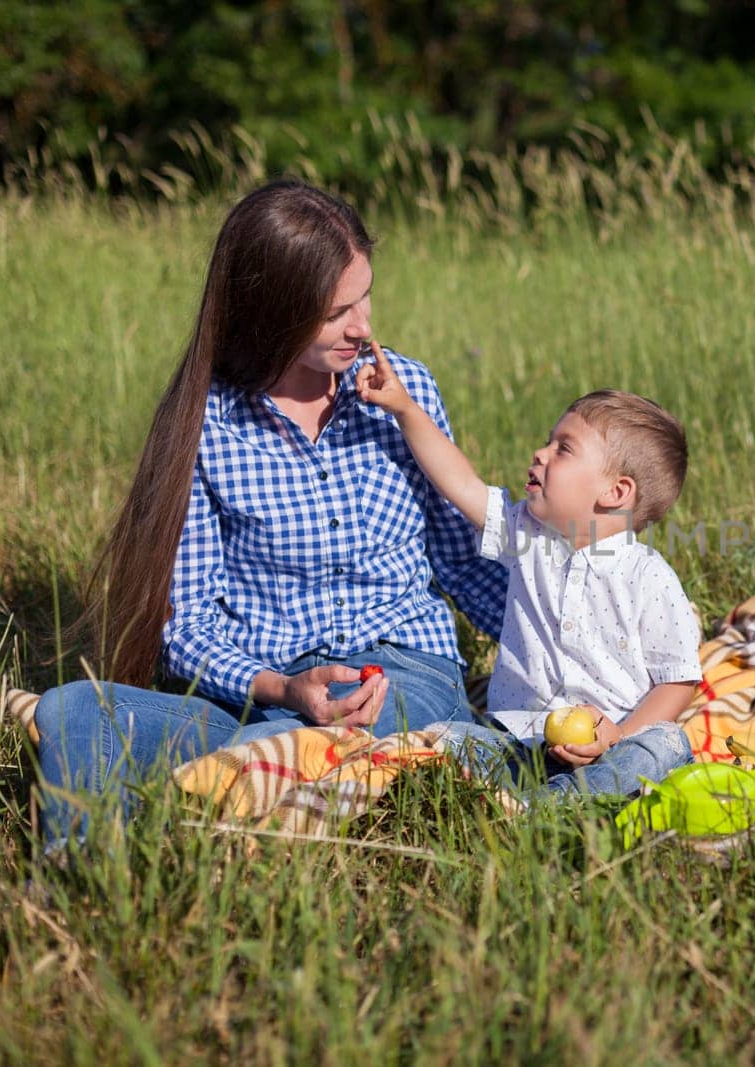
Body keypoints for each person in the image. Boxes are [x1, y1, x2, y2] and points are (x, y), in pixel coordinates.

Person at [32, 179, 509, 845]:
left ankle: (172, 828)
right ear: (272, 314)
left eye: (365, 294)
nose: (363, 325)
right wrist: (285, 687)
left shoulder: (406, 389)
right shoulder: (207, 428)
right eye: (336, 311)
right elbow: (189, 627)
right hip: (266, 693)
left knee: (278, 742)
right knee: (75, 709)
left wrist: (581, 636)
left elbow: (464, 562)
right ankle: (77, 878)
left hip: (402, 675)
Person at [355, 342, 700, 798]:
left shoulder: (649, 577)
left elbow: (678, 681)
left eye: (564, 449)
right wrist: (404, 408)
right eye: (548, 440)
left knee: (666, 744)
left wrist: (617, 734)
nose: (540, 453)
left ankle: (544, 810)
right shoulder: (526, 534)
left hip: (607, 747)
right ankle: (550, 807)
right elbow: (460, 483)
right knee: (448, 739)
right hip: (518, 739)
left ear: (615, 492)